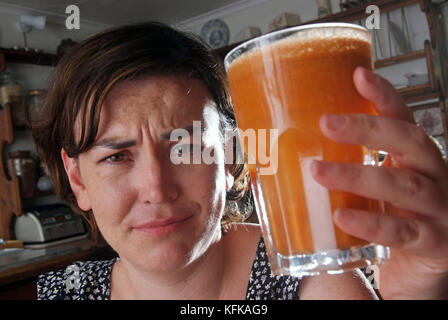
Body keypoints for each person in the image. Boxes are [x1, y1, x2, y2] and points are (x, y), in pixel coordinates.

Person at [32, 22, 448, 300]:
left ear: (231, 157)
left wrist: (421, 295)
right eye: (117, 156)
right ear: (78, 180)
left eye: (187, 147)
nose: (157, 189)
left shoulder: (314, 283)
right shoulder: (60, 293)